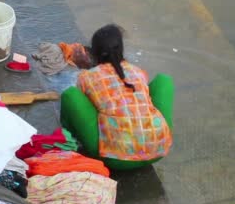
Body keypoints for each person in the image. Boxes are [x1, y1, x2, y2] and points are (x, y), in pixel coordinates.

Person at [61, 24, 174, 170]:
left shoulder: (87, 77)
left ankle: (69, 135)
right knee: (164, 80)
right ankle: (158, 130)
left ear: (94, 53)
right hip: (157, 149)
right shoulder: (138, 72)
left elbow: (86, 105)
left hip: (114, 157)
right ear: (121, 49)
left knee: (71, 95)